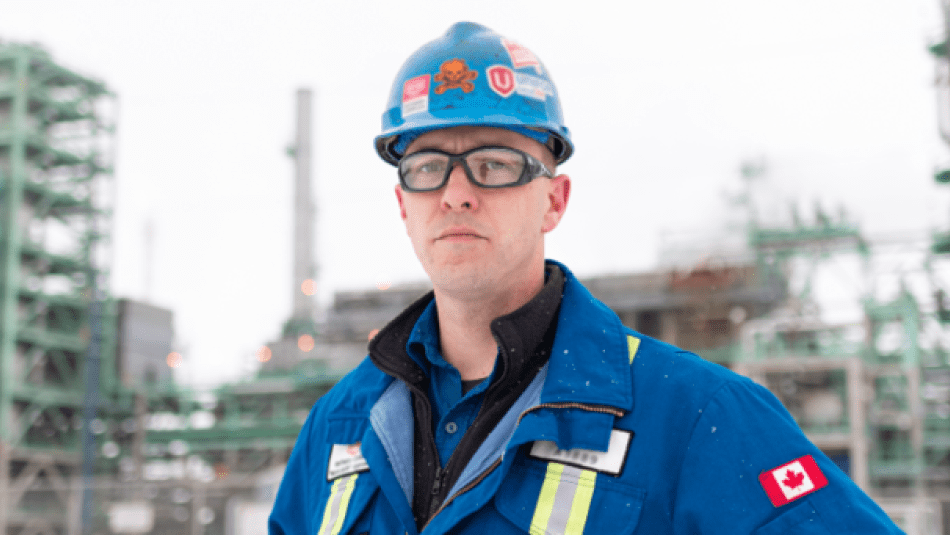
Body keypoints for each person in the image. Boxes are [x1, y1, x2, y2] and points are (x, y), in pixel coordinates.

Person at [269, 22, 903, 535]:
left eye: (494, 164)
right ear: (403, 204)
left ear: (555, 200)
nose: (456, 194)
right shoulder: (339, 425)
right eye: (428, 166)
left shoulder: (692, 415)